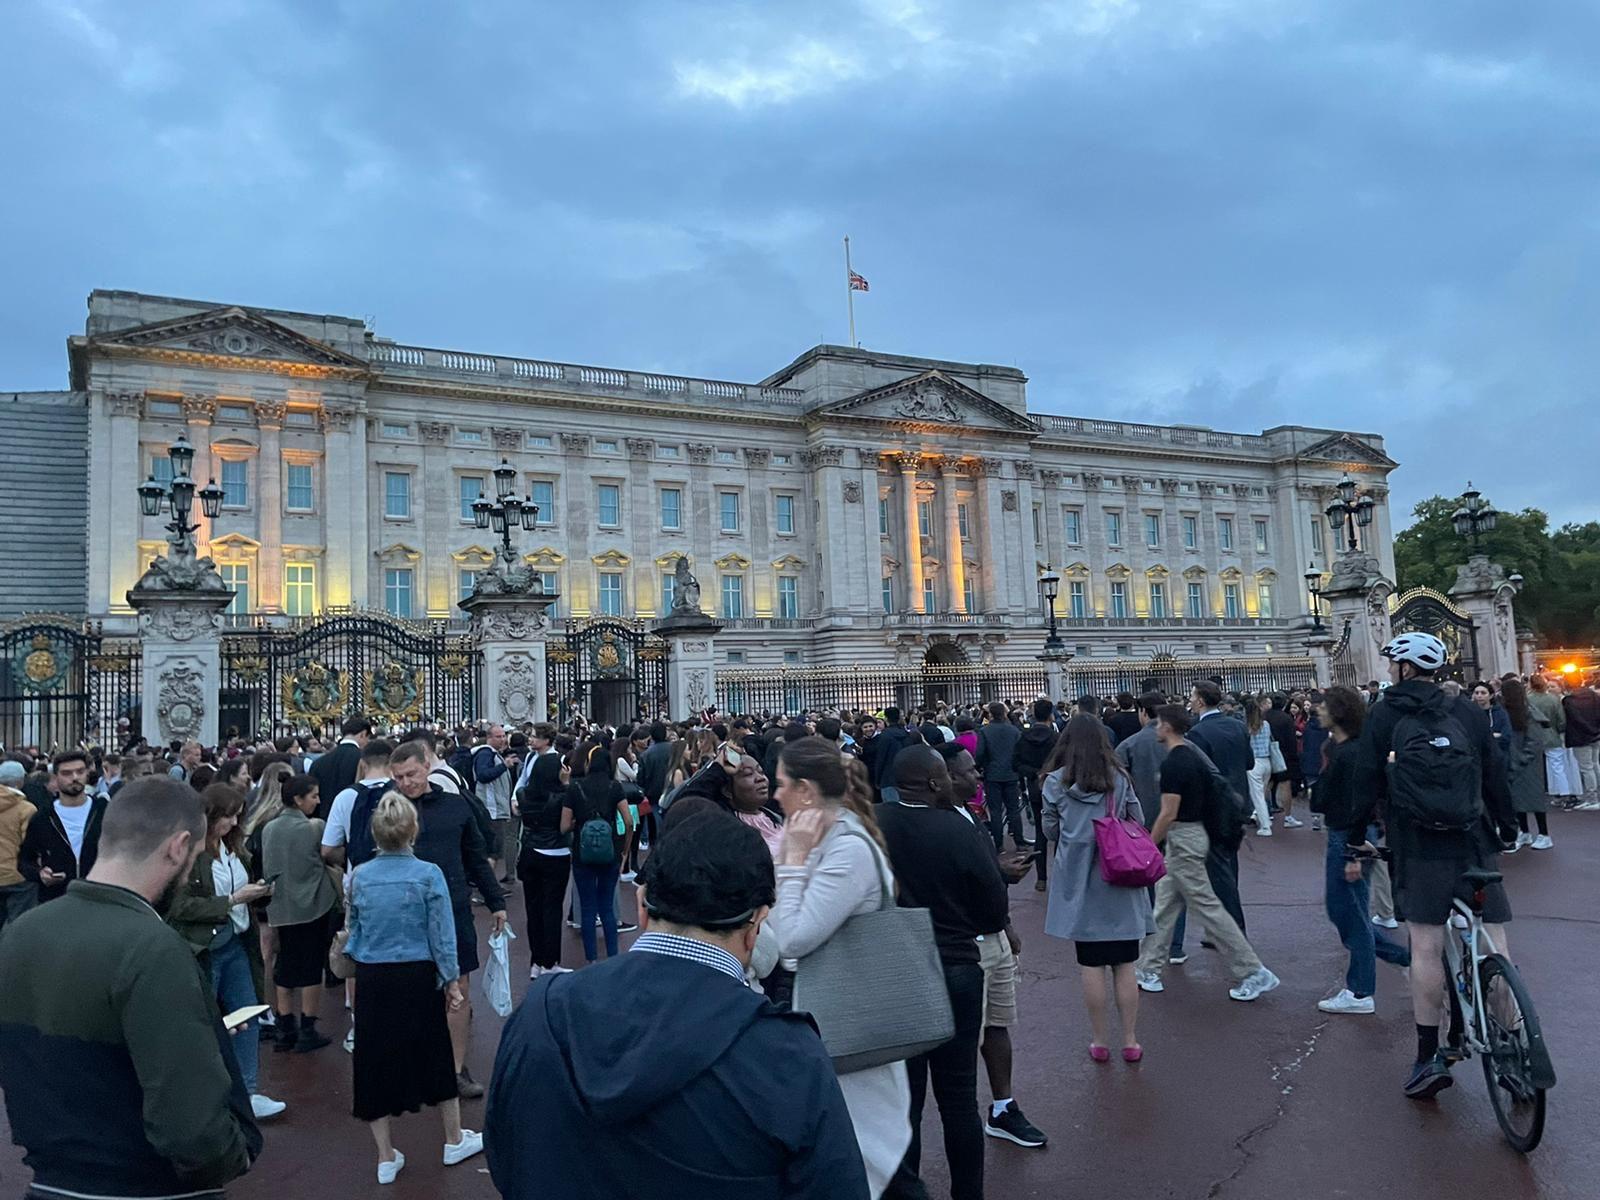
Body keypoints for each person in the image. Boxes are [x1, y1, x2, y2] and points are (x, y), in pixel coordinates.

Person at [486, 808, 869, 1199]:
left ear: (642, 904)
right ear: (756, 926)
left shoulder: (542, 1012)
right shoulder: (788, 1056)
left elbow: (506, 1152)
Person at [0, 777, 258, 1198]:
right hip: (147, 1183)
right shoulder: (153, 947)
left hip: (52, 1179)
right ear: (178, 847)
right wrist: (233, 1154)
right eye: (193, 856)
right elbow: (191, 1126)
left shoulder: (19, 932)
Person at [1352, 632, 1516, 1098]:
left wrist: (1357, 833)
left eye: (1393, 664)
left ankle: (1429, 1056)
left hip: (1418, 842)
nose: (1389, 671)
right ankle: (1513, 1044)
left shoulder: (1383, 713)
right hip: (1473, 836)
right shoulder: (1466, 710)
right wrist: (1506, 826)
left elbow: (1366, 778)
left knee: (1425, 947)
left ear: (1405, 668)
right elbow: (1493, 771)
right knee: (1495, 942)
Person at [772, 736, 915, 1198]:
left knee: (868, 1150)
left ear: (806, 790)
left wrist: (792, 862)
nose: (776, 793)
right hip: (829, 1011)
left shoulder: (847, 849)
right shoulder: (820, 837)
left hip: (852, 1015)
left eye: (783, 784)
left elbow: (792, 939)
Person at [876, 746, 1009, 1200]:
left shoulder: (875, 823)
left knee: (905, 1101)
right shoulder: (958, 828)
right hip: (955, 967)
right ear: (934, 782)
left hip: (899, 971)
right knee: (958, 1099)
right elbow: (993, 911)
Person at [346, 791, 483, 1183]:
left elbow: (354, 930)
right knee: (436, 1053)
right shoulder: (428, 874)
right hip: (417, 973)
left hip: (373, 975)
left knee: (372, 1061)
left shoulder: (360, 876)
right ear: (412, 830)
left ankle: (385, 1156)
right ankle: (453, 1138)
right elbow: (442, 934)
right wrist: (451, 980)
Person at [1134, 705, 1279, 1001]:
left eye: (1159, 723)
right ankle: (1147, 967)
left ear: (1168, 727)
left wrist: (1149, 843)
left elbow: (1168, 812)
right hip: (1191, 836)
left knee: (1208, 908)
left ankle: (1252, 970)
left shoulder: (1175, 763)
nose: (1156, 727)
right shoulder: (1191, 756)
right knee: (1166, 904)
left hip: (1183, 839)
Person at [388, 740, 507, 1099]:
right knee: (412, 991)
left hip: (453, 909)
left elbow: (475, 856)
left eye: (411, 774)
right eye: (398, 777)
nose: (406, 783)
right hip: (406, 914)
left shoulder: (456, 806)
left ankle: (455, 1068)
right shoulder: (389, 810)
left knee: (459, 990)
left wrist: (495, 901)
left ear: (427, 766)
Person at [1042, 715, 1154, 1060]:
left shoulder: (1055, 782)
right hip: (1119, 875)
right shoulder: (1118, 777)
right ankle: (1131, 1041)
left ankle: (1100, 1040)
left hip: (1079, 880)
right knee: (1125, 964)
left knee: (1091, 966)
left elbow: (1050, 829)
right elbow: (1138, 820)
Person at [167, 783, 283, 1117]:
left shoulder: (234, 848)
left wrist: (258, 893)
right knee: (204, 1024)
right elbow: (180, 906)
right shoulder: (191, 853)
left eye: (236, 816)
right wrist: (231, 900)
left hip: (236, 943)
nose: (233, 823)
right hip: (205, 948)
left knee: (248, 1014)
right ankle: (201, 1095)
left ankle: (248, 1091)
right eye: (228, 816)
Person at [1309, 687, 1409, 1015]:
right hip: (1344, 832)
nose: (1318, 710)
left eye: (1324, 706)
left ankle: (1361, 990)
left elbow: (1358, 802)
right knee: (1349, 911)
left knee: (1348, 911)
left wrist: (1353, 852)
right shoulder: (1339, 747)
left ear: (1338, 712)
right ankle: (1406, 959)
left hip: (1349, 835)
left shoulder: (1352, 753)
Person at [261, 773, 340, 1052]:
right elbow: (331, 855)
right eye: (313, 796)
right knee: (311, 967)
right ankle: (307, 1028)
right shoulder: (315, 827)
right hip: (313, 906)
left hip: (281, 908)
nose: (317, 801)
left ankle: (285, 1026)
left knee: (285, 965)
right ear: (298, 799)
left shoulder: (269, 829)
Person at [562, 739, 636, 964]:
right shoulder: (615, 787)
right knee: (607, 908)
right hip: (610, 852)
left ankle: (591, 959)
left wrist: (578, 823)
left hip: (582, 853)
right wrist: (624, 851)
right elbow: (628, 821)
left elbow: (564, 826)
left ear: (588, 764)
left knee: (587, 908)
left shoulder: (575, 788)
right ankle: (612, 957)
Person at [515, 722, 573, 979]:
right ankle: (550, 962)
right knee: (552, 909)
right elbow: (565, 825)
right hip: (555, 853)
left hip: (530, 851)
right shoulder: (562, 796)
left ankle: (536, 961)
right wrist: (566, 785)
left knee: (533, 909)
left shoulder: (524, 795)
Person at [18, 749, 107, 904]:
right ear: (55, 778)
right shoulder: (43, 817)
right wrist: (40, 874)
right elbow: (24, 860)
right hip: (57, 898)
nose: (75, 777)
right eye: (67, 773)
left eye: (80, 772)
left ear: (87, 773)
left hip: (99, 896)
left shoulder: (104, 811)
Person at [1500, 678, 1552, 851]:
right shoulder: (1509, 712)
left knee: (1534, 800)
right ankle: (1525, 831)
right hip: (1516, 760)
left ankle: (1544, 834)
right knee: (1517, 800)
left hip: (1528, 762)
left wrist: (1522, 758)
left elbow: (1535, 741)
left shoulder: (1529, 713)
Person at [1013, 699, 1058, 894]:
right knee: (1059, 832)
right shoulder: (1056, 738)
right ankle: (1059, 874)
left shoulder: (1024, 737)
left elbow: (1015, 763)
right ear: (1050, 715)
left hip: (1034, 787)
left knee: (1040, 832)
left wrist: (1033, 773)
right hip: (1055, 787)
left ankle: (1041, 878)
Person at [473, 723, 520, 885]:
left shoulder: (494, 754)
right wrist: (504, 766)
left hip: (495, 808)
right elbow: (483, 775)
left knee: (494, 851)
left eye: (503, 736)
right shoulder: (486, 754)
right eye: (498, 736)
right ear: (489, 738)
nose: (503, 739)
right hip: (491, 809)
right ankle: (487, 886)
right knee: (493, 851)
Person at [975, 702, 1025, 853]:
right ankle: (1019, 842)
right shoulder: (1013, 731)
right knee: (1013, 810)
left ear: (990, 714)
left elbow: (980, 753)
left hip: (992, 775)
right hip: (1011, 774)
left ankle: (999, 845)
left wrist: (980, 768)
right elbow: (1020, 751)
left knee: (995, 811)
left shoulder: (985, 731)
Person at [0, 761, 38, 936]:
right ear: (20, 781)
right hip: (17, 875)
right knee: (19, 927)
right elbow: (30, 844)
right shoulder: (26, 809)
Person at [1525, 673, 1576, 801]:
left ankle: (1535, 794)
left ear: (1530, 684)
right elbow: (1561, 721)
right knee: (1557, 766)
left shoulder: (1527, 700)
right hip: (1551, 734)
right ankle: (1564, 792)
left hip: (1532, 735)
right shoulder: (1554, 699)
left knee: (1533, 767)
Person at [310, 715, 371, 819]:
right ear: (363, 734)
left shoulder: (318, 763)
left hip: (326, 818)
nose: (367, 742)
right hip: (355, 817)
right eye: (368, 738)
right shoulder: (364, 760)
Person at [1264, 693, 1302, 827]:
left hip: (1266, 753)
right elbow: (1291, 740)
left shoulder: (1264, 716)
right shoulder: (1286, 718)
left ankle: (1266, 812)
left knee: (1267, 784)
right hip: (1284, 754)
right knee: (1285, 784)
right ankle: (1288, 817)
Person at [1565, 674, 1600, 804]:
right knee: (1595, 764)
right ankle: (1597, 794)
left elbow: (1573, 719)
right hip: (1596, 734)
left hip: (1579, 736)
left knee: (1586, 767)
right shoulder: (1594, 695)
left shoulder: (1569, 700)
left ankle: (1592, 798)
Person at [1244, 696, 1275, 835]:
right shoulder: (1266, 724)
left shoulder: (1247, 727)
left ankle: (1265, 826)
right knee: (1262, 793)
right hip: (1267, 761)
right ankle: (1260, 816)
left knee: (1257, 797)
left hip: (1254, 763)